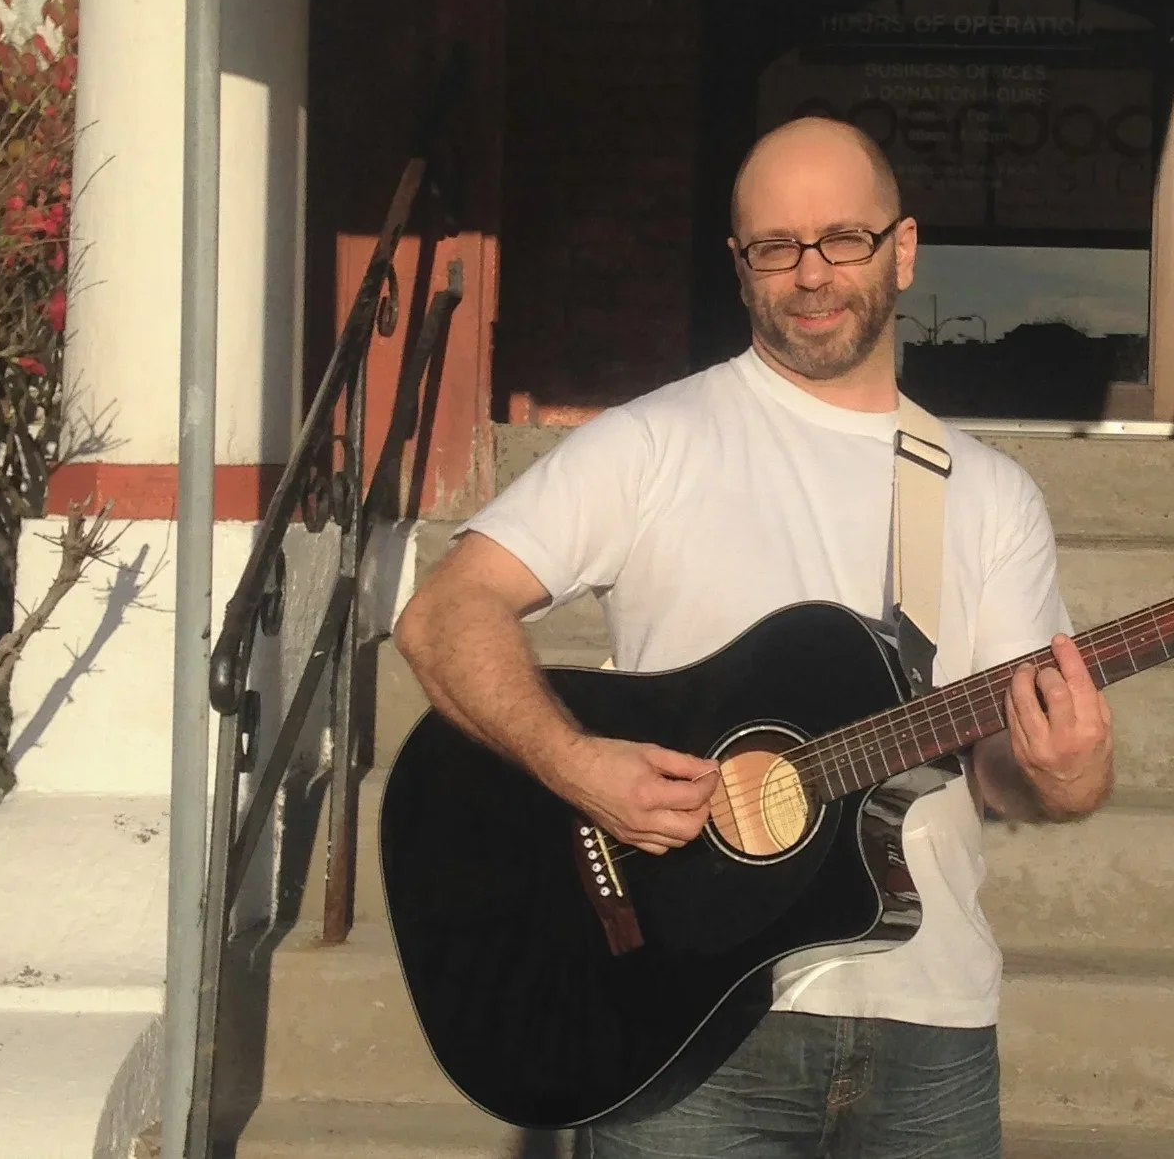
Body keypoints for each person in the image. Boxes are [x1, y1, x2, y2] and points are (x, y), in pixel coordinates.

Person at [394, 115, 1115, 1158]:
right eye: (777, 248)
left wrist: (1067, 772)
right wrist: (574, 765)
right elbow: (443, 614)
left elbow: (1003, 778)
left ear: (903, 249)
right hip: (682, 1012)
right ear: (740, 267)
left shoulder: (988, 494)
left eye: (844, 239)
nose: (811, 274)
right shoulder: (653, 443)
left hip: (929, 1027)